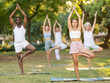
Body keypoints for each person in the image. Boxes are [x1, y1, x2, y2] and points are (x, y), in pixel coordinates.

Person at [68, 4, 95, 80]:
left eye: (75, 22)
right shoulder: (70, 28)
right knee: (75, 62)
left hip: (80, 45)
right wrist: (71, 11)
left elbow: (79, 18)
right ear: (71, 23)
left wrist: (75, 11)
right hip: (73, 45)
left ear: (77, 23)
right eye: (73, 22)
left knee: (92, 55)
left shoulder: (79, 28)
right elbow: (68, 18)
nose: (74, 23)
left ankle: (80, 53)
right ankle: (78, 78)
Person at [9, 4, 36, 74]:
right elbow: (10, 17)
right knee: (19, 58)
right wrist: (15, 10)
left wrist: (20, 9)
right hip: (17, 44)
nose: (18, 21)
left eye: (19, 20)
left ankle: (23, 56)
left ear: (20, 21)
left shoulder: (23, 26)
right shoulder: (14, 26)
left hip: (23, 42)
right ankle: (22, 72)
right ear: (16, 21)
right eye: (17, 20)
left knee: (33, 49)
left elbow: (25, 16)